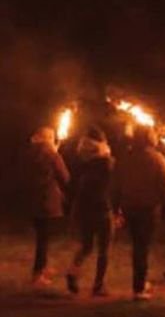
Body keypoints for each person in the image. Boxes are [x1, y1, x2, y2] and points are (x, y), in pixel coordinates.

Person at [113, 126, 165, 301]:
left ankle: (140, 282)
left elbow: (116, 183)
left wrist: (116, 207)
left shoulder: (125, 157)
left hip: (129, 207)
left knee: (137, 247)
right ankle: (139, 288)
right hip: (147, 209)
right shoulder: (156, 159)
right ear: (149, 138)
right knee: (142, 248)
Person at [66, 126, 114, 296]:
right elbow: (111, 186)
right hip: (101, 208)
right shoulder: (106, 161)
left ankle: (72, 271)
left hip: (84, 207)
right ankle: (98, 285)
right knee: (104, 249)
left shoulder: (81, 158)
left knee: (86, 246)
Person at [26, 127, 70, 286]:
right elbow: (65, 176)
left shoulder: (29, 153)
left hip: (31, 200)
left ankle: (42, 267)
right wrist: (56, 156)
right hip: (46, 201)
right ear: (48, 138)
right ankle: (38, 274)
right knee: (43, 239)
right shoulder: (51, 155)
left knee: (41, 237)